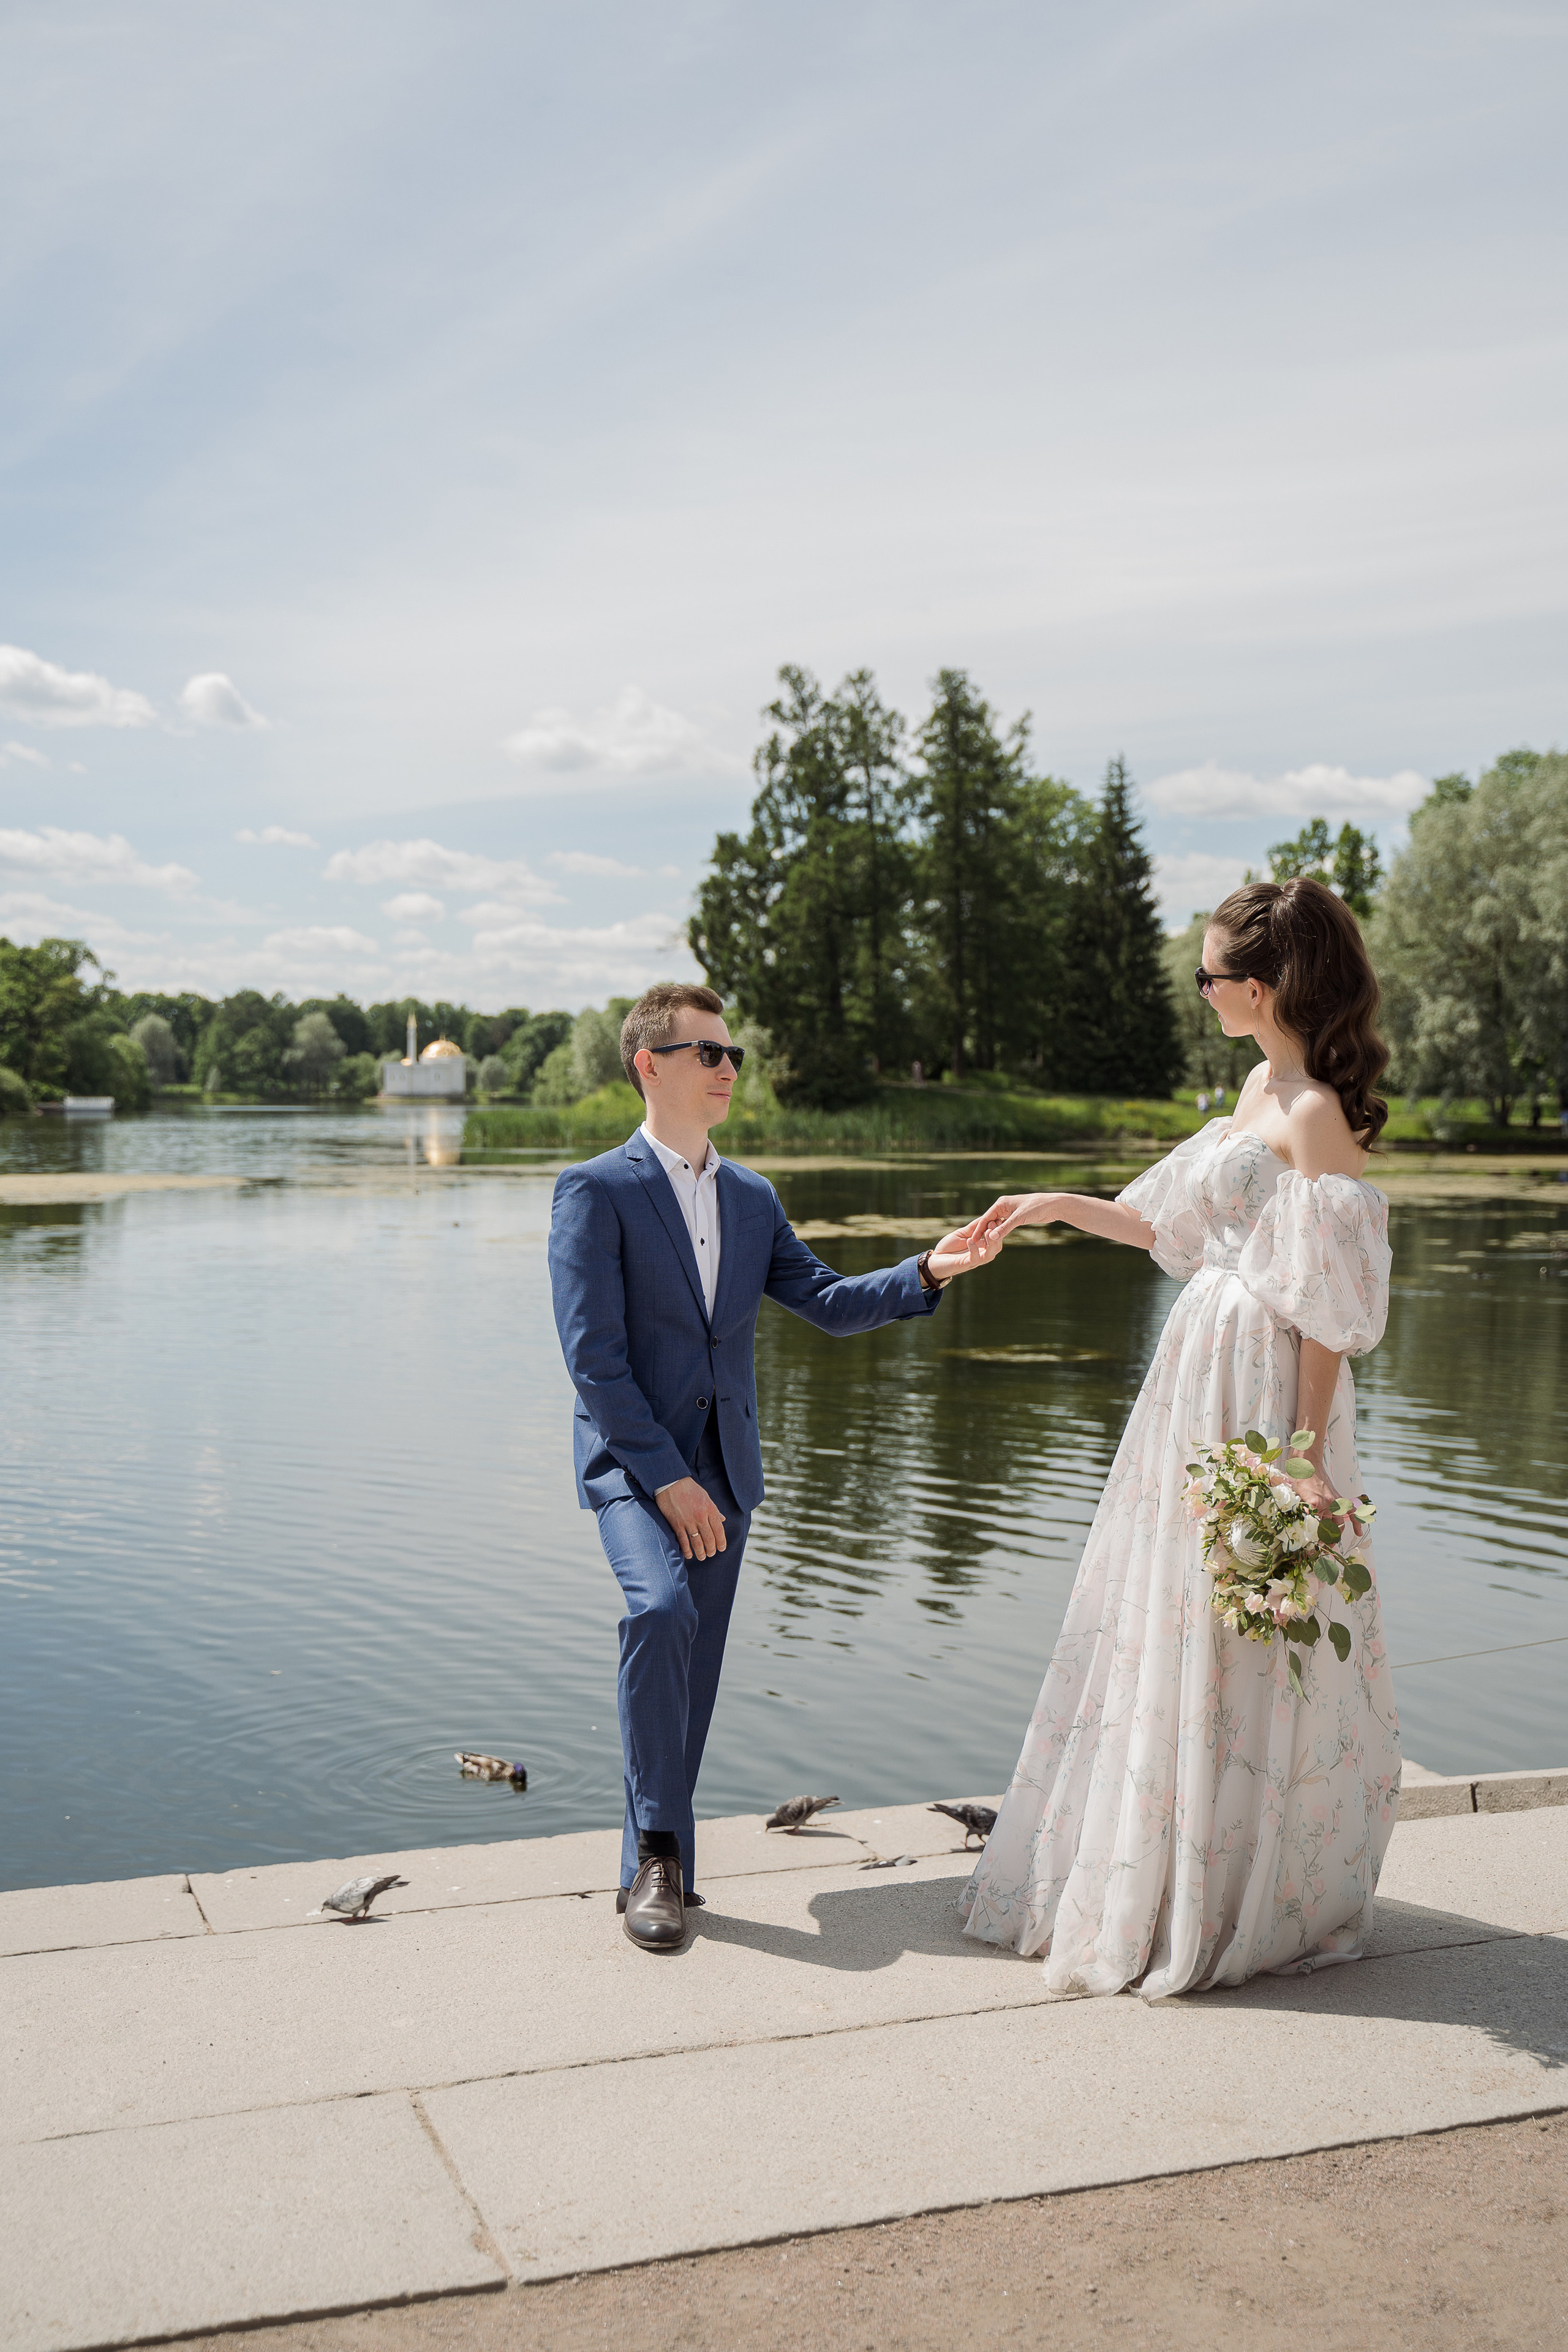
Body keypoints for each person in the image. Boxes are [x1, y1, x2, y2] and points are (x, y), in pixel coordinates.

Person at [957, 876, 1400, 1997]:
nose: (1199, 991)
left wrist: (1297, 1466)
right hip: (1195, 1378)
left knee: (1241, 1623)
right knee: (1168, 1609)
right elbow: (1173, 1228)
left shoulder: (1316, 1118)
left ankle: (1227, 1884)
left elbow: (1326, 1316)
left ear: (1260, 986)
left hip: (1260, 1386)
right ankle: (1162, 1861)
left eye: (1207, 975)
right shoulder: (1260, 1083)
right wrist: (1059, 1206)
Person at [548, 982, 988, 1954]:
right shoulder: (597, 1190)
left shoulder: (750, 1198)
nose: (730, 1068)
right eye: (709, 1053)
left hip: (729, 1469)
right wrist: (667, 1478)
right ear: (649, 1066)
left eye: (733, 1053)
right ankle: (658, 1856)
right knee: (657, 1612)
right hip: (635, 1465)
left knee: (694, 1674)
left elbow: (827, 1302)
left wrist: (928, 1271)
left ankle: (659, 1871)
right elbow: (594, 1359)